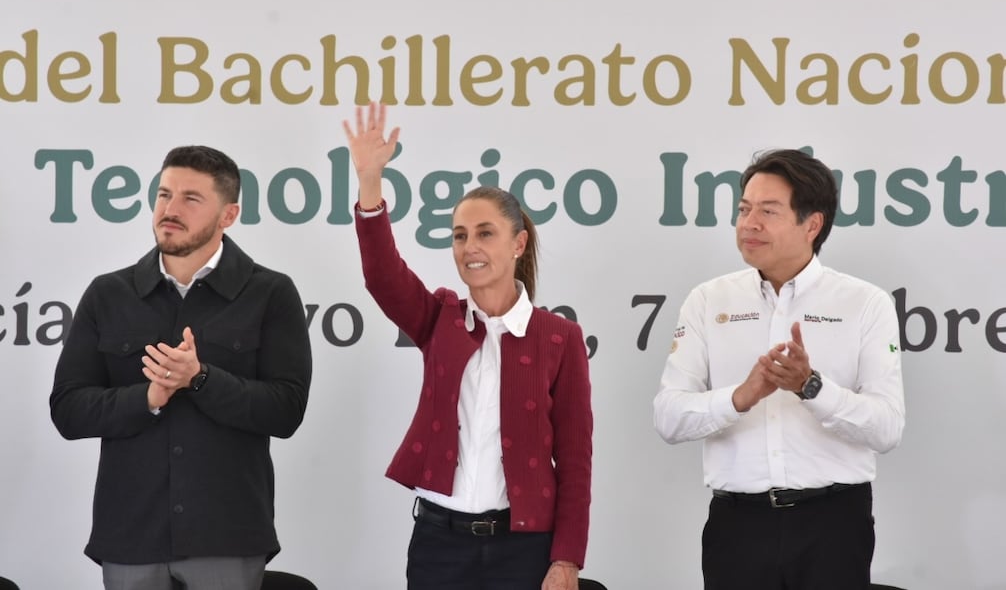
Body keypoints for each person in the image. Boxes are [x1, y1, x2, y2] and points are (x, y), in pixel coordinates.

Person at [343, 103, 592, 590]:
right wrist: (370, 182)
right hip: (440, 543)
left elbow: (576, 460)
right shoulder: (440, 317)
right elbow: (382, 275)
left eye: (484, 233)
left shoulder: (560, 338)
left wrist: (567, 560)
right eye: (459, 236)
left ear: (518, 245)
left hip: (525, 549)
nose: (469, 247)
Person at [50, 145, 312, 590]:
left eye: (191, 198)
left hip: (228, 534)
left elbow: (286, 411)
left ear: (228, 215)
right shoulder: (107, 294)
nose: (169, 210)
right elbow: (68, 411)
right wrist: (147, 398)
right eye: (163, 194)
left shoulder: (271, 292)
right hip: (130, 534)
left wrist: (201, 379)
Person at [653, 149, 905, 589]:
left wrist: (811, 387)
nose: (749, 224)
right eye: (744, 209)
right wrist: (739, 398)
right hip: (737, 527)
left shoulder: (865, 303)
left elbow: (886, 429)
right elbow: (668, 418)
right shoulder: (709, 300)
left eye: (768, 212)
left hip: (834, 526)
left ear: (812, 224)